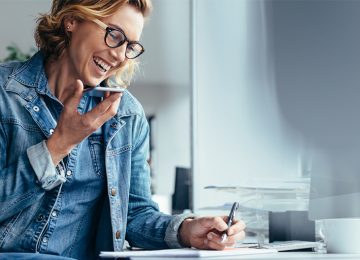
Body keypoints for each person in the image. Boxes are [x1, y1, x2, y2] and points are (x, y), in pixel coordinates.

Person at [0, 0, 246, 259]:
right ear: (71, 20)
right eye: (114, 35)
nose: (119, 55)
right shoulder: (6, 93)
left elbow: (134, 215)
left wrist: (186, 230)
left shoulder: (127, 115)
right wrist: (58, 146)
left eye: (130, 46)